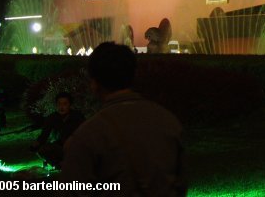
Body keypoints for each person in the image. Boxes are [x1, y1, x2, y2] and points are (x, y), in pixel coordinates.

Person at [61, 42, 186, 195]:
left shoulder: (88, 134)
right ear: (133, 75)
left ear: (94, 84)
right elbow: (180, 183)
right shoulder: (169, 121)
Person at [31, 91, 84, 168]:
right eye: (59, 104)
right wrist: (36, 145)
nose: (61, 107)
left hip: (75, 147)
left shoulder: (77, 116)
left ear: (70, 105)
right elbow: (44, 135)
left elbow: (85, 133)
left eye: (65, 104)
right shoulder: (52, 118)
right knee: (43, 149)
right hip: (59, 147)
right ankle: (59, 165)